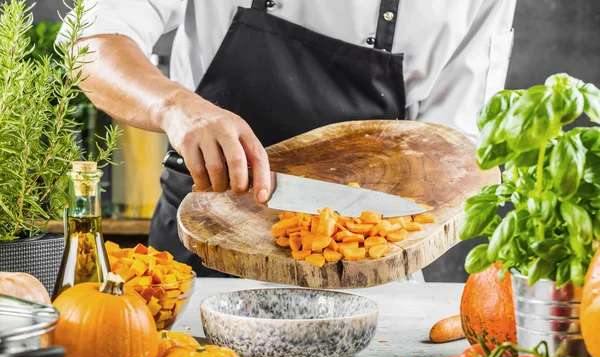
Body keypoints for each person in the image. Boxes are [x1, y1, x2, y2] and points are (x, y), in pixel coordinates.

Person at [62, 0, 517, 278]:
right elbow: (88, 44)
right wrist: (175, 106)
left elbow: (455, 154)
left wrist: (369, 234)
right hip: (199, 249)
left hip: (359, 265)